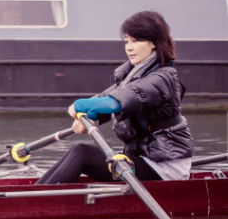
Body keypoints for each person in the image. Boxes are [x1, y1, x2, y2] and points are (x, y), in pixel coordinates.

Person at [36, 11, 193, 185]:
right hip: (143, 158)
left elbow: (119, 101)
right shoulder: (134, 74)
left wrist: (81, 105)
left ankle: (33, 203)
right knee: (79, 151)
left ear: (154, 43)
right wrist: (90, 116)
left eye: (136, 41)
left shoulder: (162, 78)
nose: (129, 47)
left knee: (82, 153)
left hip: (164, 168)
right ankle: (31, 195)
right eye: (127, 41)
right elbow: (106, 97)